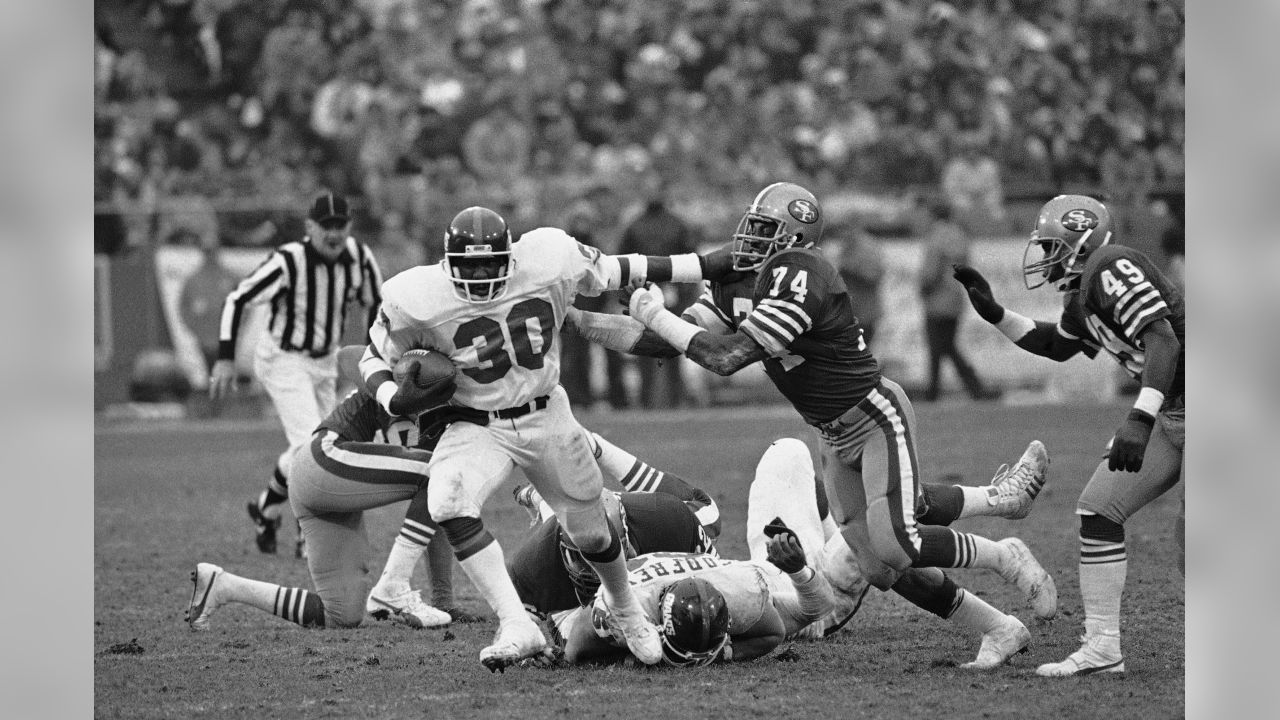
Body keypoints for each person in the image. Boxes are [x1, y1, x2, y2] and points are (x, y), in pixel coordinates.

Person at [625, 182, 1057, 670]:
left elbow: (724, 357)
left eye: (762, 229)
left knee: (898, 542)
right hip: (830, 432)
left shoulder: (803, 273)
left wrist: (656, 313)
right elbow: (664, 341)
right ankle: (999, 626)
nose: (747, 237)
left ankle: (1002, 554)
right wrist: (576, 317)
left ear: (793, 237)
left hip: (872, 415)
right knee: (879, 566)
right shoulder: (744, 278)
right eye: (751, 225)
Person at [356, 205, 722, 671]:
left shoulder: (548, 256)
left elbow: (616, 268)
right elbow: (372, 357)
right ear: (448, 262)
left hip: (546, 413)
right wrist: (392, 398)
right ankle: (517, 625)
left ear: (510, 254)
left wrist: (702, 266)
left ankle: (626, 610)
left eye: (491, 262)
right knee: (446, 501)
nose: (483, 274)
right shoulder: (415, 294)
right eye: (471, 266)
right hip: (476, 422)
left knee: (591, 533)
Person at [953, 194, 1185, 677]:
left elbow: (1163, 338)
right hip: (1176, 412)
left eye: (1051, 246)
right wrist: (996, 313)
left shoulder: (1108, 264)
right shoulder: (1083, 294)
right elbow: (1056, 345)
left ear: (1081, 243)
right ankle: (1103, 649)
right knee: (1098, 510)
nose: (1043, 257)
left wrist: (1139, 418)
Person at [186, 349, 463, 633]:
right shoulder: (388, 388)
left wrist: (443, 599)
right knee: (438, 472)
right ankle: (393, 587)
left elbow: (435, 506)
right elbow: (349, 355)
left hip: (323, 489)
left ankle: (223, 587)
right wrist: (395, 376)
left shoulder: (431, 415)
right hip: (323, 458)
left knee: (341, 614)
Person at [210, 193, 384, 557]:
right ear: (310, 228)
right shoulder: (289, 260)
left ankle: (267, 509)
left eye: (341, 225)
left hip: (324, 362)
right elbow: (238, 298)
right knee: (312, 449)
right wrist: (225, 357)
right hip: (283, 357)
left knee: (321, 446)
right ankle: (309, 533)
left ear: (350, 227)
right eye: (327, 226)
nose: (334, 234)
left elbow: (376, 305)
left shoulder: (359, 258)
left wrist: (374, 357)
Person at [617, 190, 700, 409]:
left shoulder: (635, 225)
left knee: (648, 347)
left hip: (645, 291)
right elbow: (693, 261)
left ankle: (649, 400)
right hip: (668, 290)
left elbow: (622, 262)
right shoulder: (676, 223)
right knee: (672, 344)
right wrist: (685, 293)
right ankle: (673, 399)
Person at [918, 200, 997, 401]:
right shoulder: (959, 235)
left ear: (933, 215)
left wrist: (923, 288)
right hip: (955, 297)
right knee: (946, 345)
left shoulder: (935, 236)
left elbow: (931, 271)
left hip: (937, 298)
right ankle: (972, 387)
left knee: (938, 347)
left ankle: (936, 391)